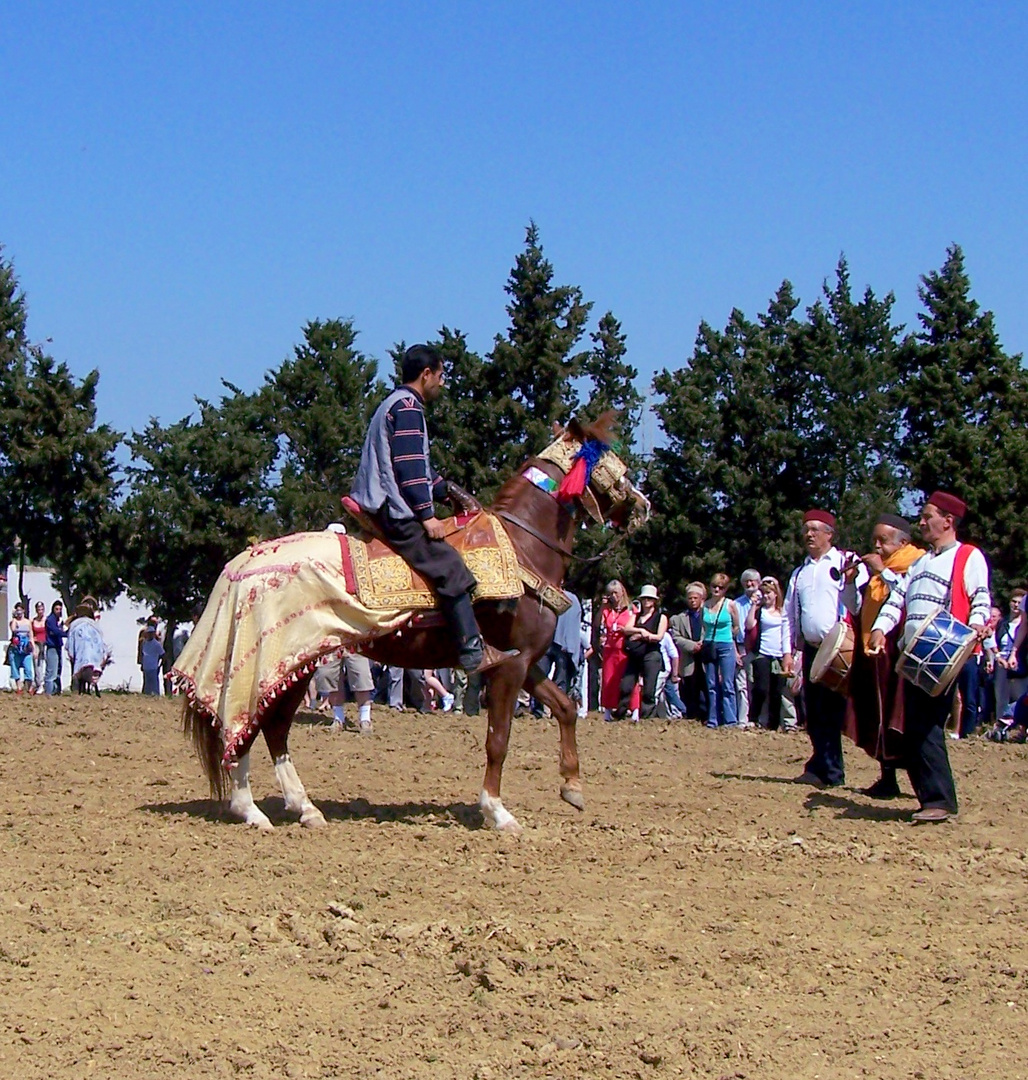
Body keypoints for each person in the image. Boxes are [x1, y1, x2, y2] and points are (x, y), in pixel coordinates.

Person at [350, 343, 516, 674]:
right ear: (426, 374)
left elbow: (423, 473)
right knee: (449, 565)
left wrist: (452, 493)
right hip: (395, 511)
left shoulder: (393, 404)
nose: (442, 382)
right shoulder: (409, 408)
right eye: (440, 376)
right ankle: (472, 652)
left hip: (388, 502)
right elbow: (410, 471)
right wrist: (427, 516)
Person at [868, 491, 991, 823]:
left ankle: (939, 801)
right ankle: (932, 799)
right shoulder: (921, 562)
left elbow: (980, 597)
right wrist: (881, 628)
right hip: (914, 656)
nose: (921, 522)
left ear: (948, 521)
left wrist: (977, 627)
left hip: (943, 652)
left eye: (927, 516)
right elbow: (898, 599)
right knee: (915, 727)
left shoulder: (969, 556)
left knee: (924, 726)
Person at [841, 513, 925, 798]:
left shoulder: (916, 564)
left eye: (884, 541)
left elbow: (905, 596)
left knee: (900, 715)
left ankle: (922, 781)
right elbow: (856, 609)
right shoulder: (878, 576)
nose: (877, 546)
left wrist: (882, 572)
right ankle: (887, 776)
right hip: (874, 652)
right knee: (876, 714)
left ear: (903, 543)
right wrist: (851, 582)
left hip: (899, 653)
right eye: (874, 540)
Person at [786, 509, 866, 787]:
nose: (809, 534)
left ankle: (833, 771)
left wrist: (852, 579)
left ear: (829, 534)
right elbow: (791, 613)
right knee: (814, 710)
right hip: (810, 648)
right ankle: (820, 765)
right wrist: (790, 650)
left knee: (834, 711)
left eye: (816, 529)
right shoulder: (799, 573)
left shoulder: (846, 563)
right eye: (806, 529)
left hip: (839, 648)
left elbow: (857, 604)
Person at [745, 576, 792, 730]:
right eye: (764, 593)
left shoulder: (783, 612)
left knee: (777, 691)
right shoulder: (761, 611)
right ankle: (753, 718)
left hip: (778, 654)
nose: (766, 596)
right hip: (763, 653)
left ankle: (773, 724)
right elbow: (749, 625)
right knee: (761, 688)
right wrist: (754, 606)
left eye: (769, 593)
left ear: (776, 594)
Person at [620, 585, 669, 720]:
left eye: (650, 598)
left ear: (654, 601)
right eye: (644, 598)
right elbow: (627, 629)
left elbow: (658, 636)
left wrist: (643, 635)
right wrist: (640, 631)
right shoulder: (636, 617)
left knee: (649, 689)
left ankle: (647, 717)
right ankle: (621, 712)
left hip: (651, 655)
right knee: (626, 685)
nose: (646, 601)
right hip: (635, 654)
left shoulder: (661, 617)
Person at [702, 573, 741, 728]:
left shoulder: (730, 605)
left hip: (726, 645)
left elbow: (737, 626)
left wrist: (730, 637)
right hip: (709, 645)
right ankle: (713, 719)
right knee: (711, 684)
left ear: (725, 589)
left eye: (721, 587)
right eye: (714, 586)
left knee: (727, 684)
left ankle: (730, 720)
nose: (717, 589)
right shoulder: (705, 605)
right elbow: (704, 627)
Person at [600, 580, 639, 721]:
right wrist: (602, 607)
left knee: (629, 681)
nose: (613, 596)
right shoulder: (607, 610)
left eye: (615, 593)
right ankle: (608, 710)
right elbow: (600, 625)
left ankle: (634, 709)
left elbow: (636, 625)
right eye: (610, 593)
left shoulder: (631, 610)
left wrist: (627, 631)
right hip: (610, 650)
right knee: (608, 680)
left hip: (625, 649)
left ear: (622, 592)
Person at [669, 583, 707, 722]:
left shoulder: (708, 615)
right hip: (689, 659)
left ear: (701, 599)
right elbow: (676, 637)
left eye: (695, 598)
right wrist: (692, 645)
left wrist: (703, 643)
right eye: (690, 598)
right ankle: (692, 716)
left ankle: (708, 716)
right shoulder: (678, 619)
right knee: (691, 690)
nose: (692, 600)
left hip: (705, 658)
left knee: (708, 689)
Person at [734, 569, 763, 727]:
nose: (750, 584)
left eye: (753, 581)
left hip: (762, 648)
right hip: (742, 647)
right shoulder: (737, 604)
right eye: (747, 581)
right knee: (742, 686)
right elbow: (733, 629)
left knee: (759, 685)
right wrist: (736, 651)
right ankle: (743, 719)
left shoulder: (766, 601)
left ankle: (759, 719)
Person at [66, 597, 112, 695]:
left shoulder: (76, 624)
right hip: (90, 651)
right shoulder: (91, 625)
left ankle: (79, 685)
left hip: (82, 651)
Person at [8, 602, 35, 693]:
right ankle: (19, 687)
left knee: (28, 668)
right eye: (17, 610)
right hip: (16, 646)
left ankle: (30, 688)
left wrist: (33, 645)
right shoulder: (14, 621)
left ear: (23, 610)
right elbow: (13, 629)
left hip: (26, 646)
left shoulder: (28, 622)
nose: (19, 612)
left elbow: (31, 633)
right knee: (15, 667)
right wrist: (14, 619)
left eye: (20, 609)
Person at [44, 600, 67, 695]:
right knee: (51, 672)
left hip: (58, 647)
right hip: (52, 647)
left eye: (60, 609)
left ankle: (57, 691)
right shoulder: (50, 620)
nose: (58, 611)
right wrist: (66, 633)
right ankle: (49, 693)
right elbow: (56, 632)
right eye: (56, 609)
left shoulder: (59, 621)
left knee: (58, 671)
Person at [140, 626, 165, 695]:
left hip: (153, 667)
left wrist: (160, 665)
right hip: (146, 667)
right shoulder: (144, 643)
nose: (150, 634)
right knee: (146, 684)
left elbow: (163, 654)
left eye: (151, 633)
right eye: (148, 633)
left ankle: (156, 696)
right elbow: (143, 654)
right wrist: (142, 664)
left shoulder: (156, 644)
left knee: (154, 685)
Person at [31, 601, 47, 693]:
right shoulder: (33, 621)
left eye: (42, 609)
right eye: (38, 609)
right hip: (37, 643)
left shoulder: (46, 620)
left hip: (45, 643)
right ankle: (39, 684)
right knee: (37, 663)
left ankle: (46, 683)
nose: (40, 611)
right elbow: (31, 634)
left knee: (45, 663)